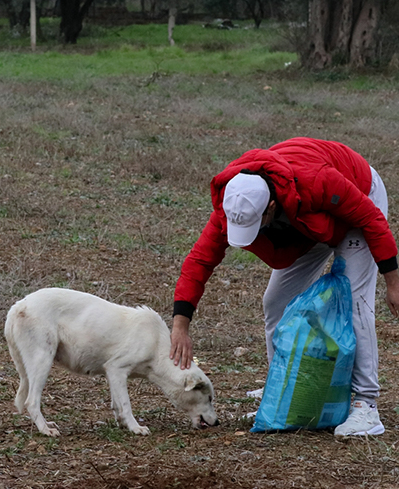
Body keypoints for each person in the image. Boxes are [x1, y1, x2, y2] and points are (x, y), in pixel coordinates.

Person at [168, 137, 399, 437]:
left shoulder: (317, 182)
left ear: (271, 207)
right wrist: (180, 325)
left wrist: (392, 281)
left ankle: (367, 407)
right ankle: (283, 393)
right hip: (310, 224)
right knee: (275, 302)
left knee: (353, 301)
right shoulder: (235, 202)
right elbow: (199, 261)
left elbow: (370, 218)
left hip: (357, 201)